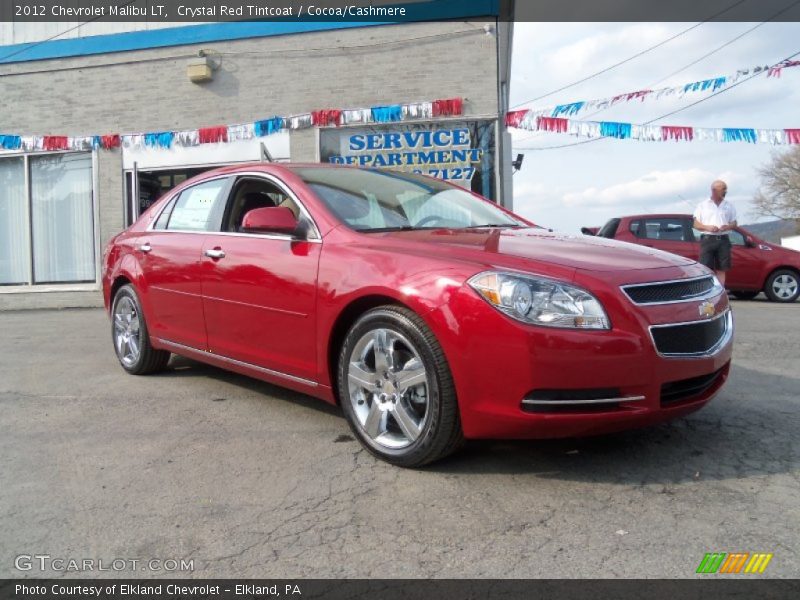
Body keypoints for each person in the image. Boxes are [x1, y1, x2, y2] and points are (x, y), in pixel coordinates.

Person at [693, 180, 737, 286]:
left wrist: (727, 226)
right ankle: (705, 290)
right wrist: (707, 227)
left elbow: (734, 223)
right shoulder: (702, 205)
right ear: (714, 190)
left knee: (722, 268)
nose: (725, 191)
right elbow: (695, 224)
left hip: (723, 239)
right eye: (723, 189)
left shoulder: (729, 205)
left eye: (726, 189)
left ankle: (720, 291)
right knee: (705, 268)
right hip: (708, 239)